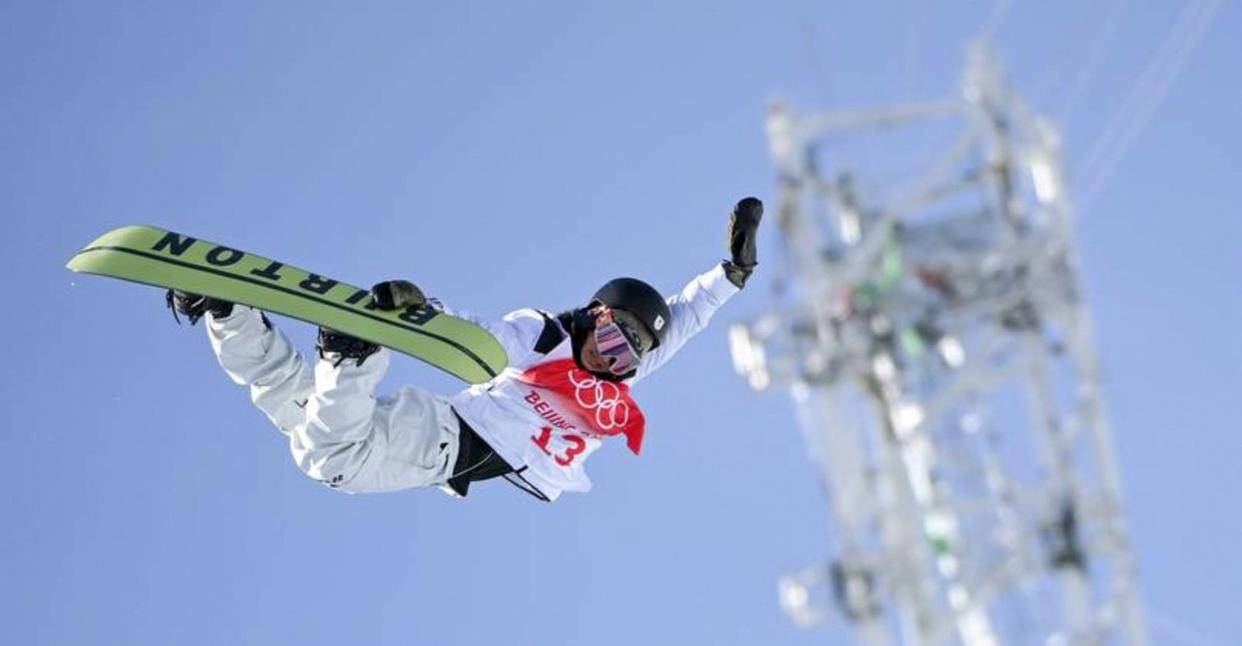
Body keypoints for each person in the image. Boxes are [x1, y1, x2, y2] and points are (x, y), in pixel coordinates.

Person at [167, 197, 763, 501]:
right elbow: (480, 337)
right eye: (611, 338)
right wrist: (422, 309)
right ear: (594, 315)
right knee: (331, 461)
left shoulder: (616, 385)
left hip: (441, 437)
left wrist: (733, 274)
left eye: (629, 356)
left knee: (296, 409)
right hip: (451, 442)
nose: (613, 359)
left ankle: (226, 314)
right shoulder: (545, 339)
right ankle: (351, 357)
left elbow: (686, 317)